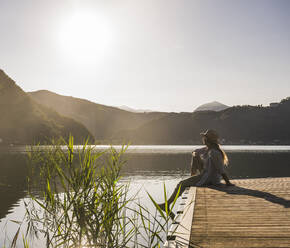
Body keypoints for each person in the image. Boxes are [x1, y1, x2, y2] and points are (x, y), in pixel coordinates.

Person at [158, 129, 234, 214]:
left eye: (204, 138)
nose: (203, 139)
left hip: (210, 178)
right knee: (195, 156)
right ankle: (168, 203)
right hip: (206, 174)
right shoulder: (208, 149)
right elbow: (196, 151)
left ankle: (167, 204)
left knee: (181, 184)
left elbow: (220, 169)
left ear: (207, 140)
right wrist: (195, 154)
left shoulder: (214, 152)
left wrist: (228, 182)